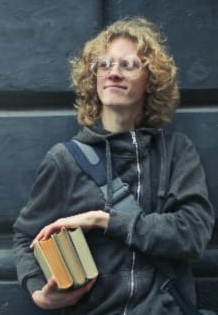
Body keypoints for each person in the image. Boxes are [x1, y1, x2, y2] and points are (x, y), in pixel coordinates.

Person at [12, 17, 214, 314]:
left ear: (150, 81)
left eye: (128, 65)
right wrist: (38, 291)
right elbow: (26, 238)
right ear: (93, 78)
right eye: (103, 65)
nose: (113, 73)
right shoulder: (65, 160)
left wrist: (103, 220)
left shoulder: (175, 152)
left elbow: (192, 235)